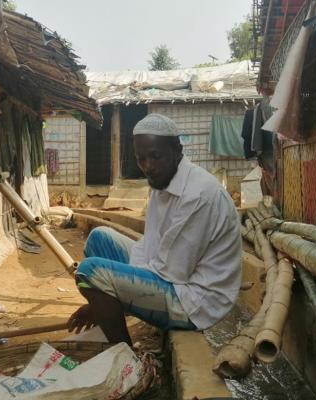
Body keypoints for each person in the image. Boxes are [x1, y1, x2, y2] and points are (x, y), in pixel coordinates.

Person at [68, 114, 242, 344]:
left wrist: (106, 291)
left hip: (194, 300)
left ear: (177, 150)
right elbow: (149, 247)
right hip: (171, 274)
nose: (148, 167)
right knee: (99, 238)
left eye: (156, 156)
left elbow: (172, 272)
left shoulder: (198, 195)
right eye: (141, 159)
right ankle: (109, 315)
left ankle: (126, 356)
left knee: (89, 273)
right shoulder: (164, 182)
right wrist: (106, 295)